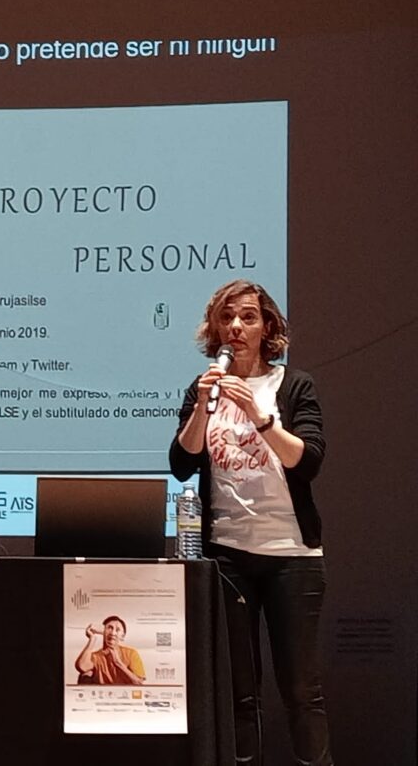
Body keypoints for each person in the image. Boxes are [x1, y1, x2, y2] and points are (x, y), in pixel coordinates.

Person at [169, 279, 332, 765]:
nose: (236, 327)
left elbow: (308, 461)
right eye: (226, 318)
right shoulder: (203, 388)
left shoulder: (294, 385)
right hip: (228, 557)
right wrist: (204, 406)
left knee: (301, 691)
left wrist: (260, 417)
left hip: (292, 556)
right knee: (239, 693)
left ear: (267, 328)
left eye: (248, 317)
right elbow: (182, 463)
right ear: (215, 329)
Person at [74, 615, 146, 685]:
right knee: (84, 675)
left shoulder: (131, 653)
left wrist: (118, 663)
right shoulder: (95, 656)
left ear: (122, 636)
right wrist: (92, 638)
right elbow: (81, 667)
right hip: (103, 692)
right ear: (103, 631)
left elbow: (139, 683)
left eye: (117, 630)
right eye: (110, 628)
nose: (113, 633)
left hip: (125, 692)